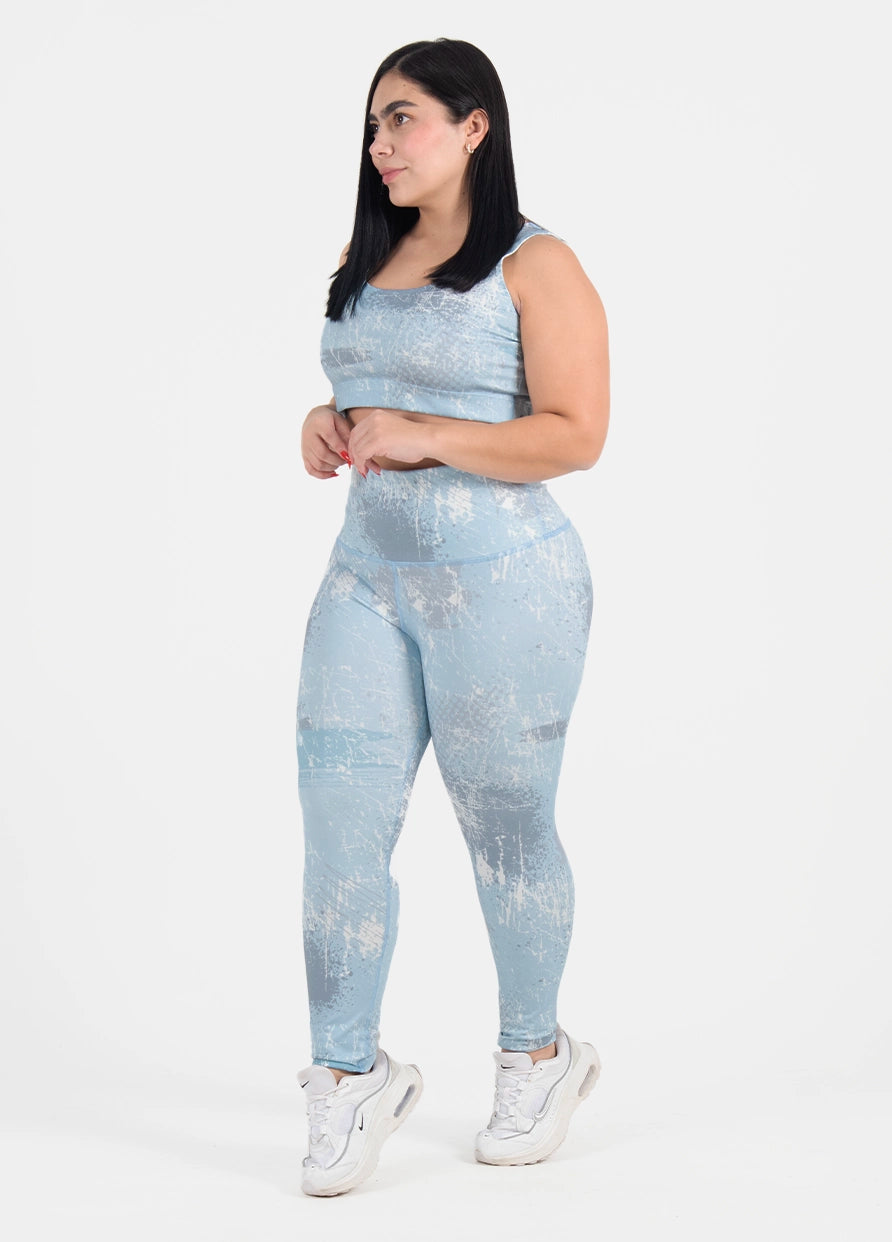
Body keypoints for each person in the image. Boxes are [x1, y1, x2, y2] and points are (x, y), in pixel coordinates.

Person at [295, 37, 610, 1197]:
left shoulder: (537, 264)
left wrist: (426, 435)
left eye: (405, 118)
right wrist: (325, 422)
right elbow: (368, 394)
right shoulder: (361, 256)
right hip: (365, 582)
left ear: (475, 126)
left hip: (505, 583)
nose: (381, 143)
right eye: (373, 122)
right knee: (338, 833)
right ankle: (346, 1075)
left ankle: (538, 1053)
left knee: (505, 831)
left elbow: (576, 433)